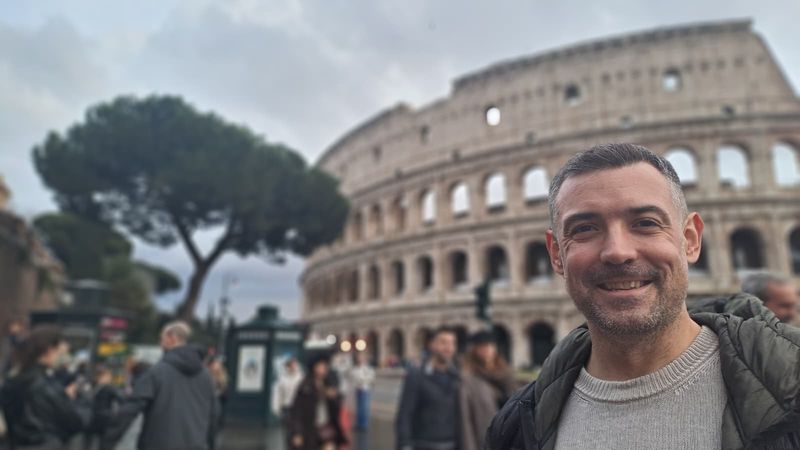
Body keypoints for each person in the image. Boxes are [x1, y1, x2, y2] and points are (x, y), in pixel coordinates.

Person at [485, 143, 800, 449]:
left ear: (690, 239)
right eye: (584, 229)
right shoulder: (514, 428)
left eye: (646, 223)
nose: (617, 252)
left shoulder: (792, 386)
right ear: (556, 254)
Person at [106, 321, 218, 450]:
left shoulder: (157, 372)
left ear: (171, 338)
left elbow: (129, 409)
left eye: (161, 338)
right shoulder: (206, 376)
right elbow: (214, 414)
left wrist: (108, 442)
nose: (160, 343)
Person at [0, 325, 90, 449]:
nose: (62, 358)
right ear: (50, 350)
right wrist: (74, 398)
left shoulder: (14, 380)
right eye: (60, 353)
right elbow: (75, 422)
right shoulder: (45, 386)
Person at [395, 326, 460, 450]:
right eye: (443, 343)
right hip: (423, 444)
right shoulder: (416, 375)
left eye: (452, 343)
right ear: (432, 345)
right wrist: (404, 445)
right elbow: (405, 415)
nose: (448, 348)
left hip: (452, 444)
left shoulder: (457, 377)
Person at [458, 331, 515, 450]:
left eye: (490, 345)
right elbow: (465, 421)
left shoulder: (507, 375)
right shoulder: (468, 379)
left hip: (511, 439)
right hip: (485, 441)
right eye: (482, 346)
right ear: (474, 351)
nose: (487, 349)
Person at [287, 353, 347, 450]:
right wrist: (297, 432)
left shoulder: (329, 382)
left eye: (325, 366)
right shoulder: (305, 385)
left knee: (330, 446)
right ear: (314, 367)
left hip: (326, 426)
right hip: (310, 428)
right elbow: (297, 411)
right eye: (321, 366)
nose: (324, 369)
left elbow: (337, 407)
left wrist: (334, 397)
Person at [349, 352, 376, 431]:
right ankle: (359, 424)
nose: (359, 359)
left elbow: (371, 378)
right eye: (358, 357)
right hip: (357, 389)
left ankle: (364, 425)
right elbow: (352, 377)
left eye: (361, 357)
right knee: (359, 408)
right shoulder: (355, 368)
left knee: (364, 407)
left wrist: (362, 381)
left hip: (365, 389)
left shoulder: (367, 368)